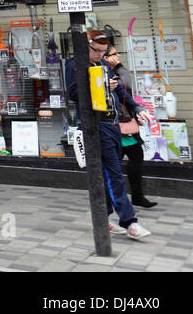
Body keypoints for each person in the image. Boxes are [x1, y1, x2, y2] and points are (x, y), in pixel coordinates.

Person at [65, 29, 154, 239]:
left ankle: (103, 217)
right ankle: (129, 221)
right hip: (96, 125)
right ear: (85, 46)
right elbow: (73, 93)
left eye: (103, 52)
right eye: (96, 51)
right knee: (113, 173)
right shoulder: (74, 64)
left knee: (106, 173)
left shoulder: (103, 64)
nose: (99, 55)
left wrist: (137, 108)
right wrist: (102, 84)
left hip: (113, 124)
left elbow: (120, 91)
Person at [104, 43, 156, 208]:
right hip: (115, 126)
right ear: (105, 58)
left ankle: (136, 196)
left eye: (117, 53)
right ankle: (114, 200)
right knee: (115, 166)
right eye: (113, 54)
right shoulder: (108, 73)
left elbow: (127, 93)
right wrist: (118, 66)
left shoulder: (116, 71)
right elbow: (125, 86)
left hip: (127, 124)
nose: (117, 57)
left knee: (135, 159)